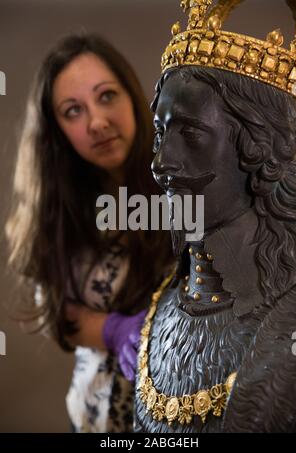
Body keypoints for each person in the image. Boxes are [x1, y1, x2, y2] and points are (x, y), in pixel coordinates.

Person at [135, 0, 296, 433]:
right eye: (160, 133)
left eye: (190, 134)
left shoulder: (290, 324)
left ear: (259, 152)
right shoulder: (163, 306)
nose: (160, 163)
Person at [6, 32, 173, 433]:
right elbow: (59, 311)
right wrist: (115, 330)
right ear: (57, 129)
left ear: (132, 95)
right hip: (94, 417)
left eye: (106, 96)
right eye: (72, 110)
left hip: (184, 412)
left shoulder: (186, 183)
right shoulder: (58, 205)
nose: (97, 122)